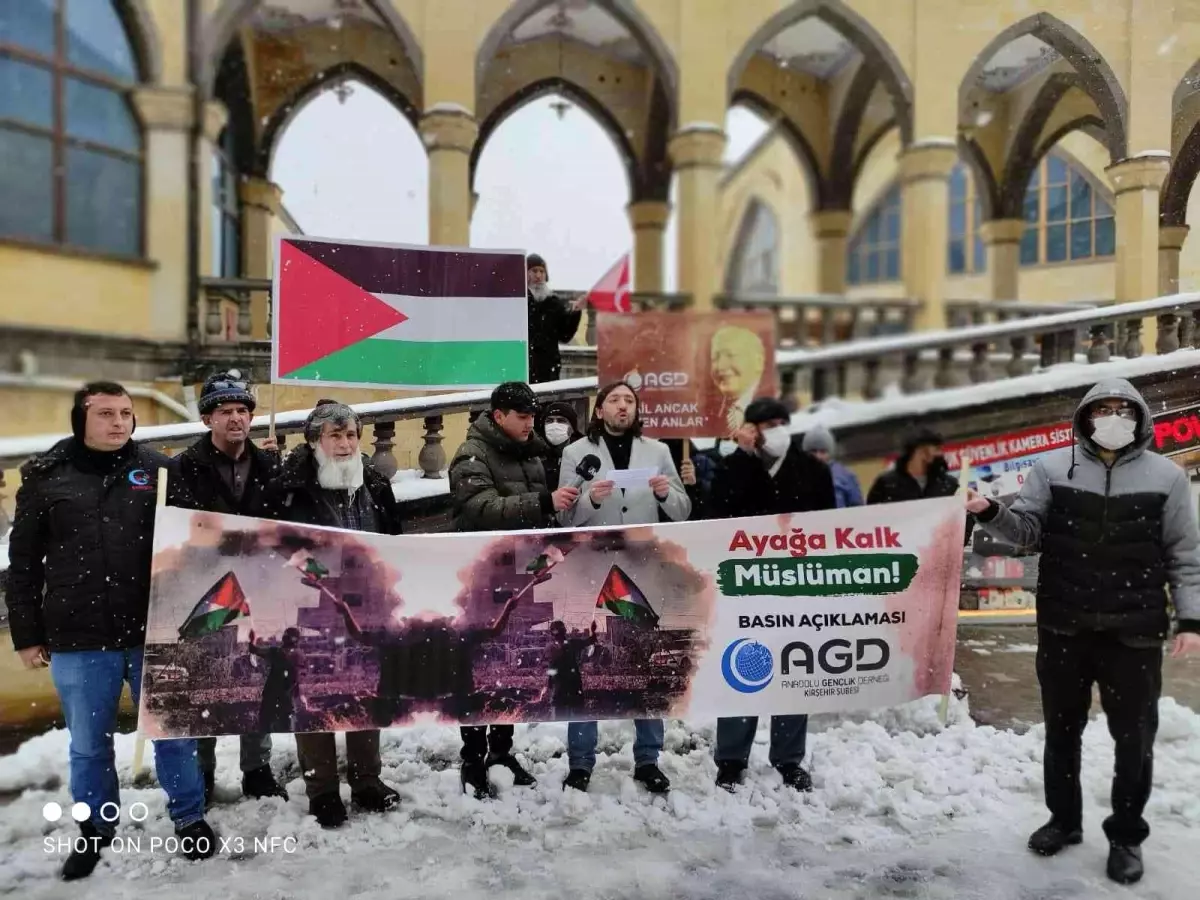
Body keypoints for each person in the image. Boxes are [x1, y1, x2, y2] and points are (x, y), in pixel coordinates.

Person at [965, 378, 1200, 886]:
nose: (1113, 417)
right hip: (1064, 627)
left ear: (1139, 416)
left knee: (1134, 740)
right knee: (1061, 732)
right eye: (1103, 409)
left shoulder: (1167, 477)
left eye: (1123, 409)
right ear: (1086, 415)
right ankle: (1063, 821)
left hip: (1133, 634)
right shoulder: (1051, 468)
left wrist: (1192, 621)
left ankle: (1126, 837)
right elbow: (1027, 532)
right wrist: (990, 511)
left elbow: (1185, 555)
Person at [7, 382, 214, 879]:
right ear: (81, 419)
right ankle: (96, 829)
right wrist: (26, 633)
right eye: (105, 414)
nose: (119, 422)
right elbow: (23, 565)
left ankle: (189, 817)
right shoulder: (46, 477)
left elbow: (200, 538)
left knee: (172, 735)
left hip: (154, 628)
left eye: (125, 413)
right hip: (79, 635)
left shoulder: (160, 471)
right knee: (88, 744)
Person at [262, 399, 402, 828]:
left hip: (367, 610)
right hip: (311, 613)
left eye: (351, 435)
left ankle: (367, 781)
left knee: (367, 695)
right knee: (316, 699)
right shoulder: (289, 488)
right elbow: (271, 548)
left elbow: (396, 544)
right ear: (314, 440)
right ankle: (322, 790)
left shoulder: (376, 485)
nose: (344, 444)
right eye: (335, 435)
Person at [557, 381, 691, 794]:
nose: (622, 406)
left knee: (644, 661)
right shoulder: (575, 453)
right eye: (614, 400)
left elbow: (683, 512)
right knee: (586, 662)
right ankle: (581, 762)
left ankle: (648, 759)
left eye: (629, 401)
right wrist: (590, 502)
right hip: (592, 568)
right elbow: (563, 519)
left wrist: (668, 494)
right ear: (599, 411)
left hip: (640, 568)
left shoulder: (658, 451)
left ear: (636, 411)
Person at [448, 382, 581, 797]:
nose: (530, 424)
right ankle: (472, 758)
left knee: (513, 669)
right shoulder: (472, 454)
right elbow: (480, 509)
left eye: (531, 417)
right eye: (522, 417)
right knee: (477, 671)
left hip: (525, 579)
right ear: (499, 415)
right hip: (484, 580)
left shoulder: (534, 451)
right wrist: (542, 502)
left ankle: (501, 751)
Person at [168, 371, 287, 805]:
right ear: (207, 420)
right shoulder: (183, 468)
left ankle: (256, 767)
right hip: (206, 592)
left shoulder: (271, 464)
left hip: (259, 590)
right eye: (225, 412)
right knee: (208, 683)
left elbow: (284, 528)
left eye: (242, 410)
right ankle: (203, 769)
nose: (236, 419)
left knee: (257, 682)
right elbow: (180, 532)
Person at [708, 397, 835, 792]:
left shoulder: (812, 470)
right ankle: (731, 759)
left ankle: (788, 757)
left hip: (796, 587)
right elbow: (717, 512)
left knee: (794, 671)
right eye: (767, 423)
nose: (776, 429)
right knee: (742, 667)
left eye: (782, 422)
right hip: (744, 588)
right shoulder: (734, 465)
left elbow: (828, 526)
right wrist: (743, 459)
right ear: (751, 429)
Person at [526, 253, 585, 384]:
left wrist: (575, 313)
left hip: (548, 369)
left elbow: (565, 336)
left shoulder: (554, 303)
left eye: (542, 271)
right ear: (525, 274)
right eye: (534, 271)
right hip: (523, 366)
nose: (538, 275)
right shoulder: (519, 301)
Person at [866, 427, 957, 504]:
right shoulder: (887, 484)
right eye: (936, 449)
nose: (940, 454)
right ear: (921, 450)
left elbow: (963, 516)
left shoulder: (948, 484)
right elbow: (871, 516)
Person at [247, 627, 304, 733]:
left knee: (265, 728)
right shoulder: (299, 655)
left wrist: (252, 639)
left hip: (271, 698)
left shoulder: (276, 652)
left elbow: (254, 650)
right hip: (287, 699)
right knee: (287, 730)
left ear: (284, 638)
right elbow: (297, 679)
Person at [801, 425, 864, 508]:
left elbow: (858, 508)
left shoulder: (846, 475)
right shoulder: (797, 476)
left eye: (823, 451)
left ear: (830, 452)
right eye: (813, 451)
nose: (818, 456)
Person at [545, 620, 597, 719]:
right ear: (564, 631)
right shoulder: (572, 644)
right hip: (572, 684)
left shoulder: (550, 648)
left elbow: (551, 668)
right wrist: (593, 631)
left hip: (561, 686)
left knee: (560, 719)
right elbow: (590, 640)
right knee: (576, 716)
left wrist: (550, 685)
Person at [536, 399, 582, 489]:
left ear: (572, 428)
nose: (554, 425)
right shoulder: (536, 455)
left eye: (561, 421)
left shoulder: (583, 453)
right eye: (549, 421)